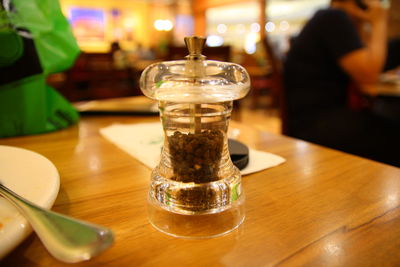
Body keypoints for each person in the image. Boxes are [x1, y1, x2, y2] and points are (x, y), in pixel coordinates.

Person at [283, 0, 400, 166]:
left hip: (319, 120)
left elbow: (368, 64)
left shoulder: (331, 18)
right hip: (319, 124)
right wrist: (378, 22)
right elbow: (368, 76)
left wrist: (363, 24)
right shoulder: (333, 18)